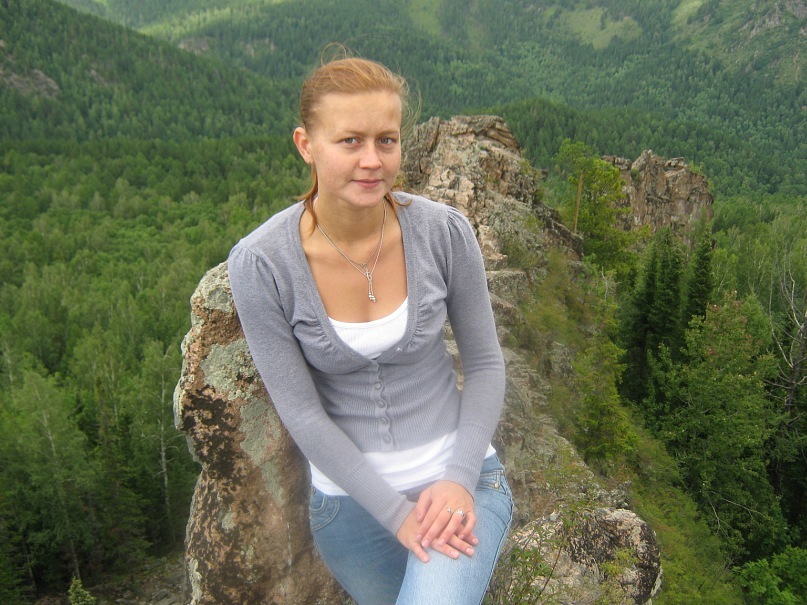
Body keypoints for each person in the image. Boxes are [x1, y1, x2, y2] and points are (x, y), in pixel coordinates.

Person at [228, 53, 513, 605]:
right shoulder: (262, 264)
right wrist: (396, 515)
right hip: (351, 510)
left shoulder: (443, 233)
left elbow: (484, 364)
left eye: (386, 140)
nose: (372, 161)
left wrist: (458, 478)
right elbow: (302, 413)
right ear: (306, 144)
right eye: (350, 141)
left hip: (461, 483)